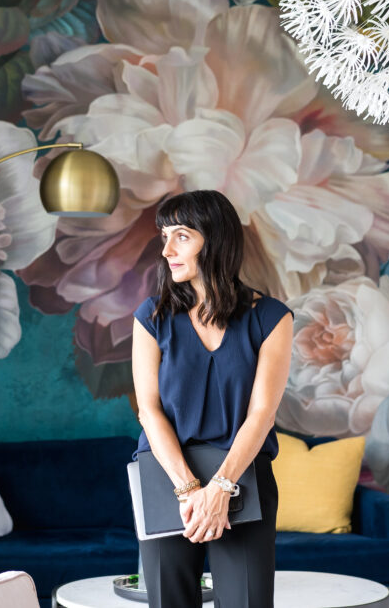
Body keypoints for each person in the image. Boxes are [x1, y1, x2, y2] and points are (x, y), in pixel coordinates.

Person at [132, 189, 294, 608]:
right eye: (164, 236)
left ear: (216, 240)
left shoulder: (272, 318)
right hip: (166, 479)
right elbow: (149, 411)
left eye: (181, 236)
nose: (166, 249)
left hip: (243, 480)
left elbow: (261, 413)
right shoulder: (151, 317)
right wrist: (189, 491)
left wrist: (222, 489)